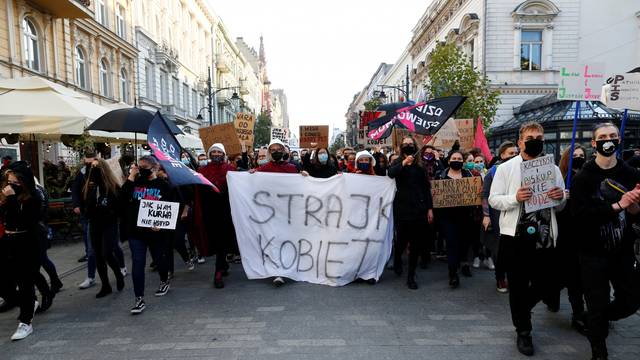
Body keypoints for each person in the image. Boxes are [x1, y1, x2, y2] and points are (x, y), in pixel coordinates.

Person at [489, 121, 566, 356]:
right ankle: (523, 331)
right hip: (516, 237)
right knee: (519, 285)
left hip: (544, 236)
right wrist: (515, 197)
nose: (536, 140)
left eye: (540, 137)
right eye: (531, 137)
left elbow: (561, 204)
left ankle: (524, 307)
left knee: (550, 282)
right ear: (521, 141)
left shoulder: (552, 169)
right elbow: (494, 199)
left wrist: (559, 196)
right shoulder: (506, 168)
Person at [571, 123, 640, 360]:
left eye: (612, 136)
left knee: (631, 300)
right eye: (602, 137)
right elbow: (580, 217)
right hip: (592, 252)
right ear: (594, 143)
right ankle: (599, 351)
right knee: (596, 301)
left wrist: (633, 207)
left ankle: (596, 317)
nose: (608, 140)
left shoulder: (631, 175)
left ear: (619, 140)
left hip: (622, 251)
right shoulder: (583, 177)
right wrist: (616, 206)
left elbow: (636, 213)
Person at [121, 156, 172, 315]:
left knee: (158, 259)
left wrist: (162, 226)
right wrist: (131, 176)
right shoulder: (135, 183)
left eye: (145, 168)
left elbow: (170, 209)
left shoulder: (163, 186)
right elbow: (121, 199)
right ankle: (139, 298)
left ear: (155, 168)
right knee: (138, 263)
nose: (142, 170)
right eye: (140, 167)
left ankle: (164, 280)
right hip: (136, 232)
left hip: (155, 232)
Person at [0, 166, 43, 340]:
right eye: (8, 182)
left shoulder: (33, 199)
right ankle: (28, 303)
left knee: (25, 283)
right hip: (7, 241)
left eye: (15, 182)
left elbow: (24, 221)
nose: (11, 185)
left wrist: (11, 199)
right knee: (4, 284)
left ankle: (25, 322)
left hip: (27, 243)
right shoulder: (6, 198)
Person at [388, 136, 434, 289]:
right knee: (401, 240)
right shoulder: (397, 162)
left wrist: (429, 208)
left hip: (418, 210)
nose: (408, 146)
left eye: (411, 144)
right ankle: (397, 259)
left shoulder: (420, 167)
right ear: (401, 147)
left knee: (416, 243)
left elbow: (426, 189)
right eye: (405, 144)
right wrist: (403, 163)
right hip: (402, 209)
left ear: (415, 146)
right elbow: (391, 173)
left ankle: (411, 276)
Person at [252, 139, 298, 287]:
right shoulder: (263, 169)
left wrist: (303, 176)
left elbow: (299, 187)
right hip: (270, 212)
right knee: (274, 240)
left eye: (279, 149)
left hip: (287, 212)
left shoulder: (292, 168)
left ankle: (285, 268)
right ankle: (278, 271)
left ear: (284, 151)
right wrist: (250, 175)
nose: (276, 152)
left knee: (286, 239)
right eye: (273, 149)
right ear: (269, 152)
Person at [555, 144, 588, 335]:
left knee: (583, 277)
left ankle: (584, 313)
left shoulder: (589, 177)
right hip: (567, 234)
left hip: (585, 233)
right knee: (572, 276)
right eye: (574, 155)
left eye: (581, 155)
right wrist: (561, 199)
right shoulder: (560, 177)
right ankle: (577, 312)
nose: (578, 158)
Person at [82, 159, 125, 298]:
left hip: (109, 224)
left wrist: (110, 212)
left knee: (107, 252)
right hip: (94, 224)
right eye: (92, 166)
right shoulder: (90, 186)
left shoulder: (112, 186)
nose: (94, 169)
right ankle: (105, 285)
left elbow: (119, 207)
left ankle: (118, 274)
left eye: (97, 166)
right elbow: (87, 205)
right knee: (97, 255)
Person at [197, 143, 236, 289]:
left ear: (224, 154)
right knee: (215, 240)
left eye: (219, 152)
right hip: (209, 210)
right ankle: (223, 264)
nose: (216, 154)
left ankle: (218, 273)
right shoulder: (202, 170)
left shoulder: (230, 169)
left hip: (225, 210)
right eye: (213, 152)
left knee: (221, 240)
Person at [435, 150, 476, 288]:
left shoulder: (469, 175)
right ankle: (452, 273)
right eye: (454, 158)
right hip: (447, 217)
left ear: (463, 162)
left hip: (466, 216)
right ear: (449, 161)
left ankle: (464, 263)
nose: (457, 160)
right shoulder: (440, 176)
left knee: (464, 243)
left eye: (459, 158)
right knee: (451, 244)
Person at [482, 141, 518, 294]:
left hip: (514, 213)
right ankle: (500, 277)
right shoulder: (493, 172)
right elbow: (485, 195)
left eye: (516, 153)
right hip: (497, 215)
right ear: (502, 155)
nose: (514, 156)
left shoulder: (521, 169)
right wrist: (486, 215)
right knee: (499, 248)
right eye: (510, 153)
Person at [71, 152, 98, 289]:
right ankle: (91, 276)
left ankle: (120, 268)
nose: (89, 165)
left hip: (103, 216)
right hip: (87, 213)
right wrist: (76, 204)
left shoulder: (102, 172)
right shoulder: (81, 173)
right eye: (86, 163)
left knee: (110, 249)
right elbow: (75, 189)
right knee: (91, 248)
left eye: (91, 163)